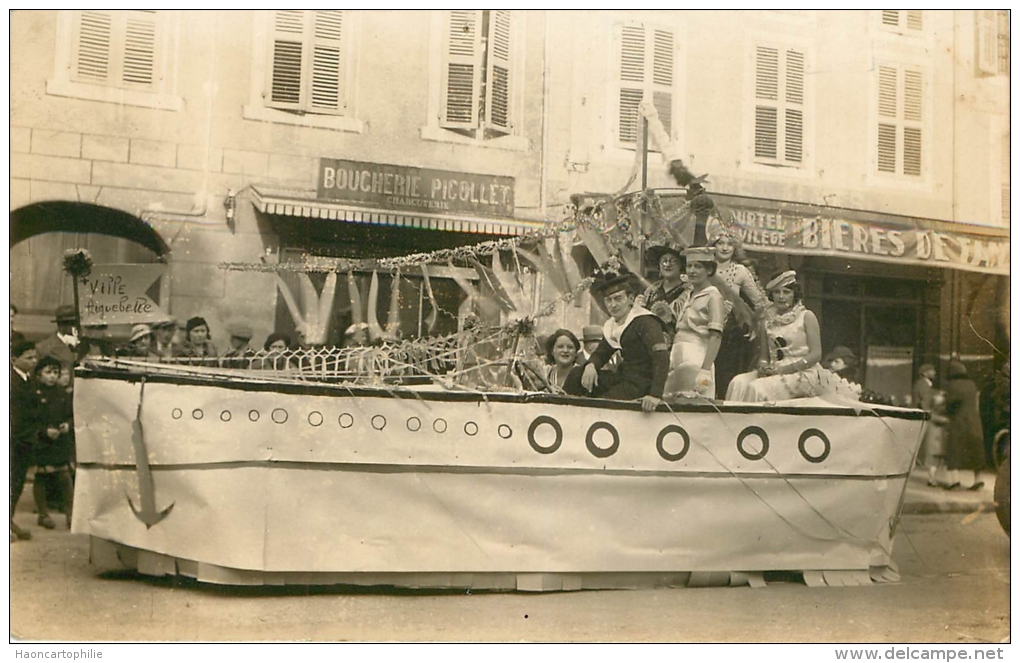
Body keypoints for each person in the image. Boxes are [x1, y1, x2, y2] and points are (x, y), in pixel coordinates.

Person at [726, 270, 861, 402]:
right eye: (777, 292)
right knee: (738, 383)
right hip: (775, 370)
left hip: (803, 373)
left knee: (757, 388)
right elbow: (764, 356)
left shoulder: (806, 316)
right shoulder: (767, 320)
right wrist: (763, 365)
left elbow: (816, 355)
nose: (781, 296)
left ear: (794, 294)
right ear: (771, 295)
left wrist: (785, 369)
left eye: (786, 292)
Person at [563, 268, 670, 412]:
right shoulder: (614, 325)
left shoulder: (645, 321)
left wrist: (655, 395)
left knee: (603, 404)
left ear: (631, 299)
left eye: (618, 298)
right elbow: (601, 354)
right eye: (608, 300)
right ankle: (563, 412)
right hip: (624, 377)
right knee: (577, 374)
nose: (613, 305)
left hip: (642, 384)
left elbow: (661, 357)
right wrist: (591, 366)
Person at [709, 231, 768, 398]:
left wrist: (753, 322)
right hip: (703, 327)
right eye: (721, 243)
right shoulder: (704, 266)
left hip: (729, 333)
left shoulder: (740, 271)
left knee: (724, 377)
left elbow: (759, 302)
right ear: (713, 245)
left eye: (730, 244)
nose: (725, 248)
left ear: (735, 248)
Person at [662, 247, 725, 399]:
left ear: (709, 270)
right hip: (677, 353)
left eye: (698, 266)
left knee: (692, 402)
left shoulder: (713, 296)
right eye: (689, 266)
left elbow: (715, 336)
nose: (692, 271)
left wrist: (705, 369)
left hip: (697, 356)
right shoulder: (689, 294)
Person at [30, 356, 74, 530]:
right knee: (42, 476)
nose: (52, 376)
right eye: (48, 372)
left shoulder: (62, 394)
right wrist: (44, 431)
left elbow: (71, 414)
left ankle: (71, 513)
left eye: (56, 372)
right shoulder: (33, 393)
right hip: (42, 442)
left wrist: (67, 425)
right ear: (39, 374)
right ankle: (43, 513)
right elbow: (30, 419)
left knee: (64, 476)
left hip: (59, 442)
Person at [940, 361, 985, 491]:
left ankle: (955, 481)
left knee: (954, 450)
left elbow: (951, 405)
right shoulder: (972, 385)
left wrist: (943, 407)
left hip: (959, 422)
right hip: (975, 421)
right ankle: (978, 480)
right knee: (976, 450)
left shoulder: (952, 385)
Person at [10, 339, 39, 541]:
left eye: (35, 357)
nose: (34, 361)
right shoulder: (10, 381)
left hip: (25, 440)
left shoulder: (30, 380)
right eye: (28, 358)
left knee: (17, 483)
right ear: (13, 359)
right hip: (13, 441)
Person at [635, 242, 689, 342]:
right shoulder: (652, 290)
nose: (667, 265)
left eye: (673, 261)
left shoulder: (688, 291)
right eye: (664, 261)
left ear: (681, 265)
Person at [34, 304, 85, 371]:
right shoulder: (43, 348)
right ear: (61, 325)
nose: (78, 327)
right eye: (74, 323)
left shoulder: (86, 345)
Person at [544, 329, 580, 393]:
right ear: (552, 351)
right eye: (560, 347)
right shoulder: (545, 373)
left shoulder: (582, 374)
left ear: (575, 352)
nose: (565, 350)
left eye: (570, 347)